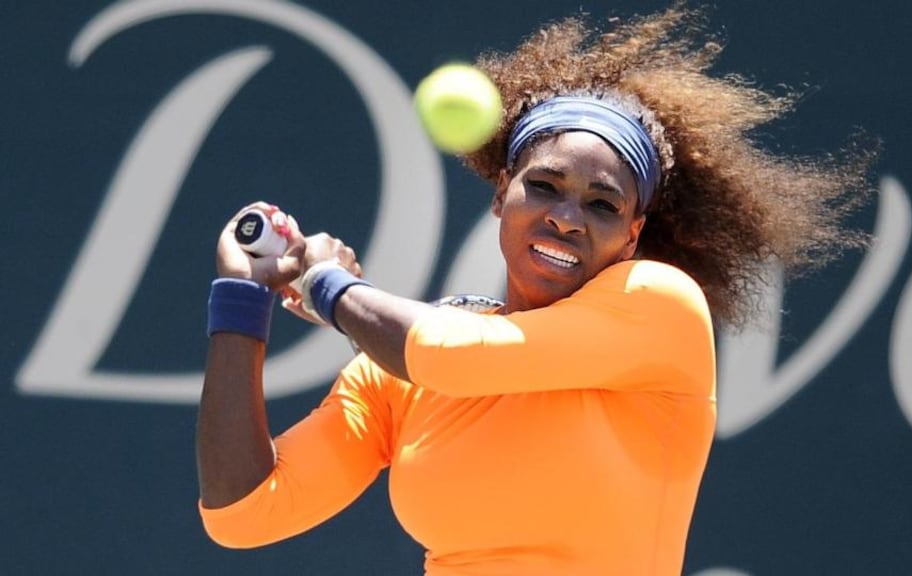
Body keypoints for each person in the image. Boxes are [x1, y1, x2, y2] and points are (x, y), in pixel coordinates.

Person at [196, 3, 874, 575]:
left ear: (632, 235)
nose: (566, 217)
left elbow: (449, 354)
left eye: (602, 205)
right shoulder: (400, 372)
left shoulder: (659, 304)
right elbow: (244, 512)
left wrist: (324, 283)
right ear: (502, 196)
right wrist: (243, 297)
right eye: (544, 187)